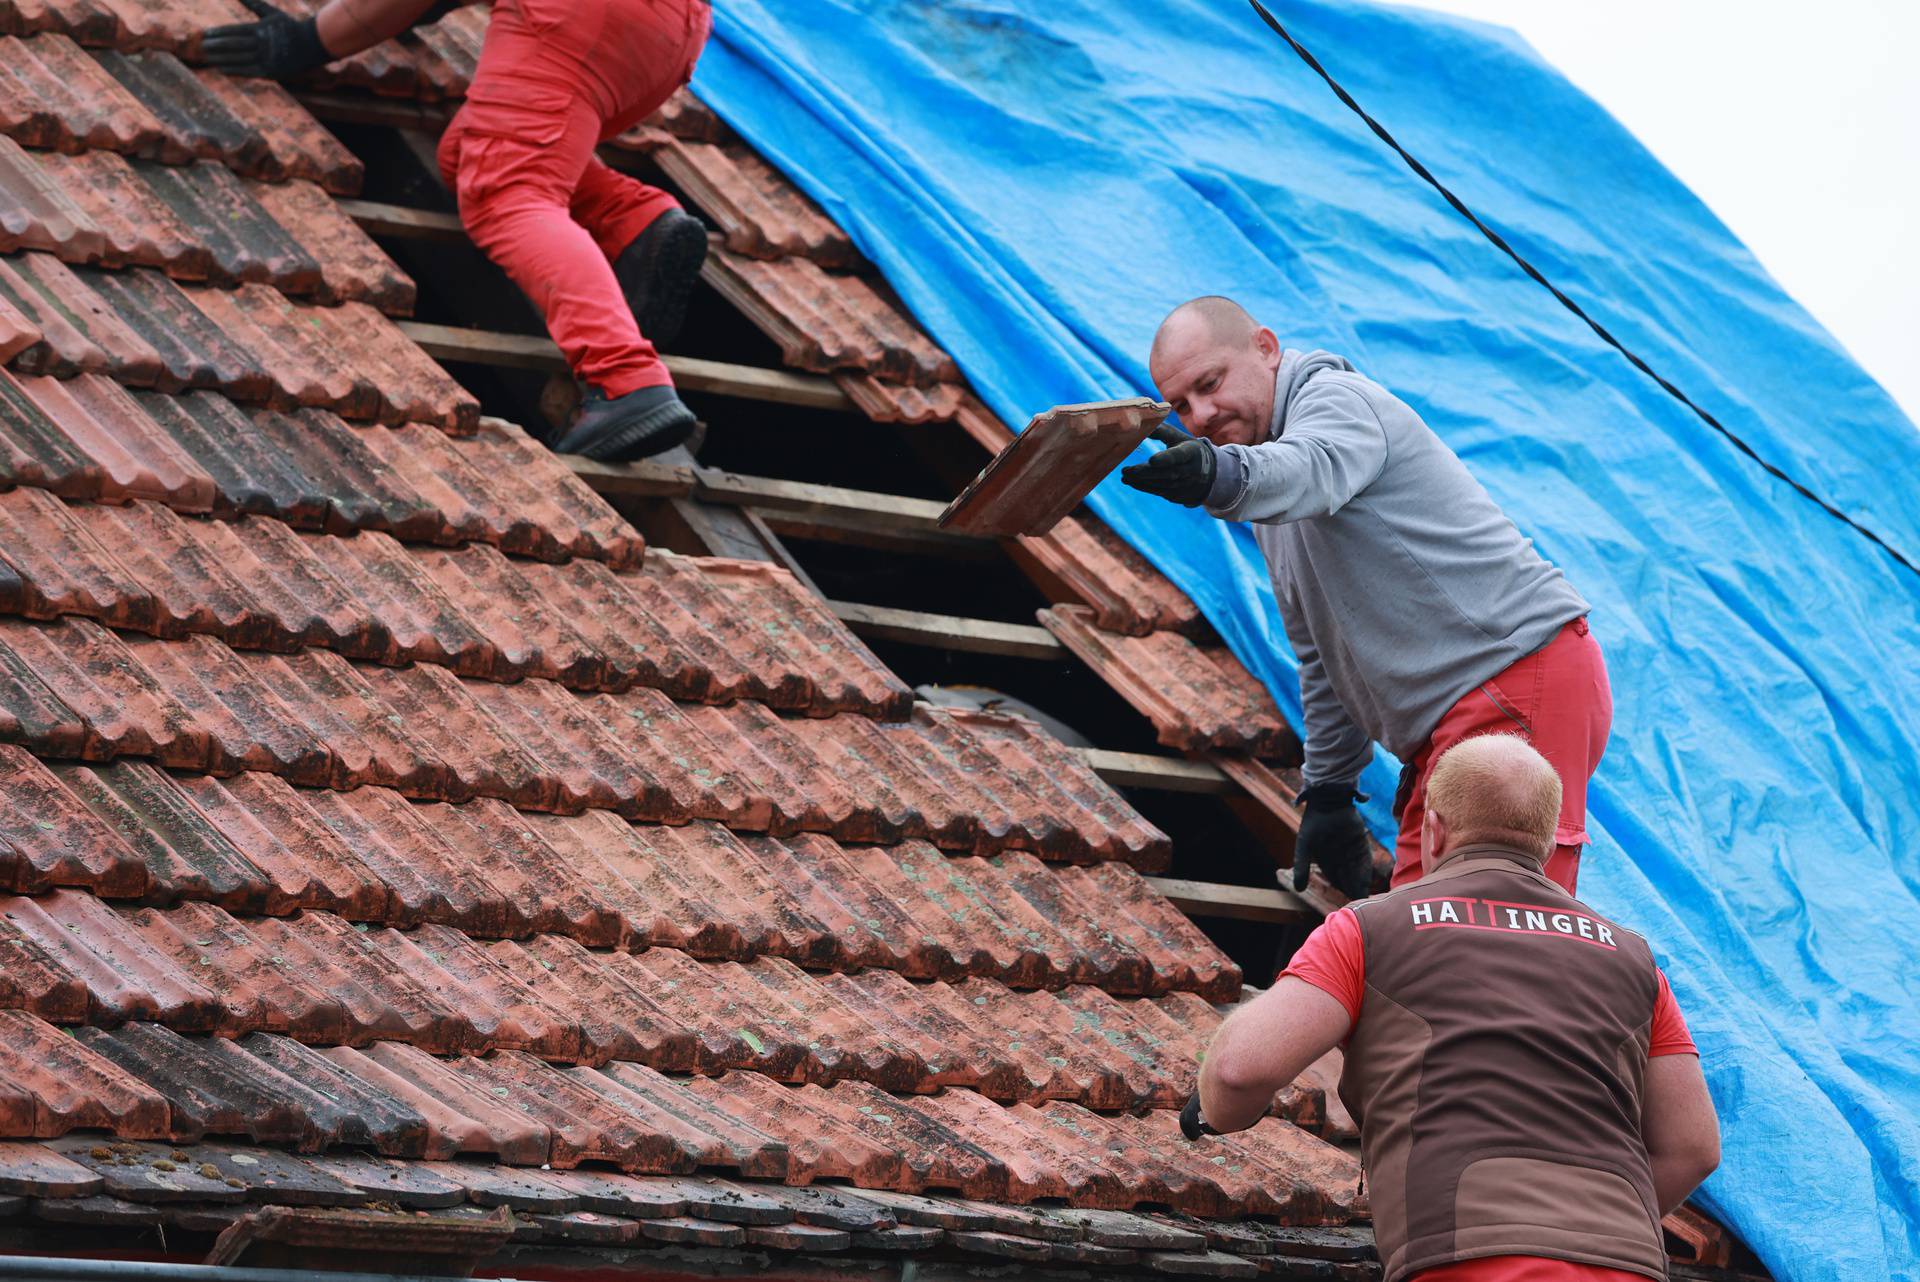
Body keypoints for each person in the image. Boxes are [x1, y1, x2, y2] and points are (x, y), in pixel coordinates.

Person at [1183, 735, 1718, 1282]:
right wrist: (1594, 1233)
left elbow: (1238, 1068)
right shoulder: (1634, 961)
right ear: (1550, 842)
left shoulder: (1372, 928)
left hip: (1468, 1260)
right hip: (1626, 1262)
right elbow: (1693, 1146)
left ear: (1433, 830)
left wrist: (1217, 1111)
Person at [1126, 296, 1609, 899]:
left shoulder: (1336, 403)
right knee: (1417, 932)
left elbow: (1311, 465)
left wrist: (1219, 476)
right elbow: (1326, 656)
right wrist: (1329, 788)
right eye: (1180, 405)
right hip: (1452, 722)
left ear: (1267, 347)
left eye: (1210, 383)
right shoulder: (1273, 508)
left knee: (1483, 935)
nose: (1200, 413)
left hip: (1513, 679)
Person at [202, 0, 712, 461]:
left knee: (509, 193)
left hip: (586, 19)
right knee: (471, 150)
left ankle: (626, 379)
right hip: (675, 33)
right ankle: (631, 223)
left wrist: (308, 40)